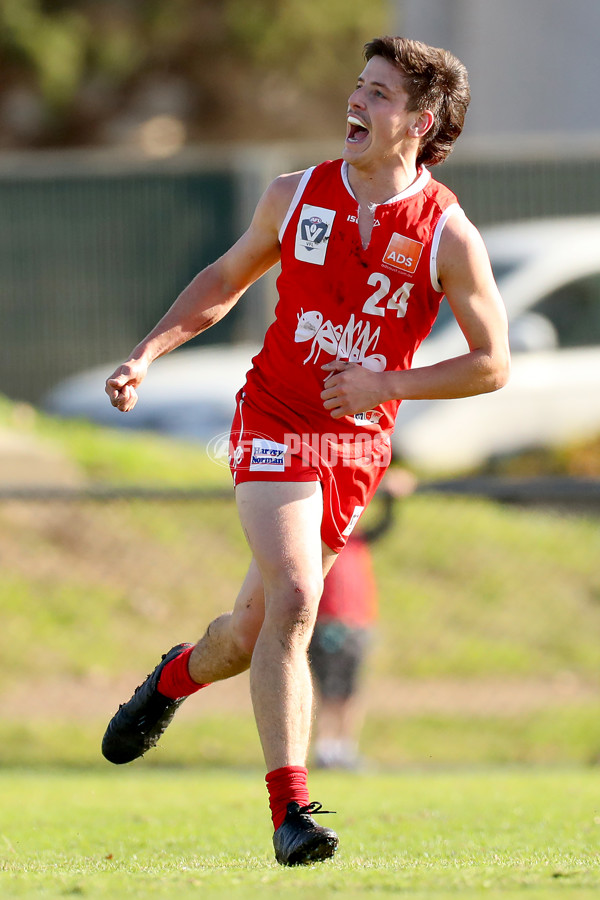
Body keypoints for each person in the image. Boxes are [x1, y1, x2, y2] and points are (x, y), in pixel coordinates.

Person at [101, 36, 510, 866]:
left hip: (353, 445)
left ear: (420, 122)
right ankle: (292, 812)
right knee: (294, 598)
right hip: (273, 417)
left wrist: (388, 383)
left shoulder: (446, 234)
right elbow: (224, 280)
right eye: (357, 87)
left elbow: (493, 362)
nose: (356, 103)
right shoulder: (297, 195)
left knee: (249, 633)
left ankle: (172, 680)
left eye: (380, 94)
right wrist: (145, 354)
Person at [310, 468, 416, 771]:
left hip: (357, 623)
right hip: (326, 624)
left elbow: (383, 526)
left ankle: (345, 748)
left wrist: (393, 499)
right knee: (327, 689)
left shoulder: (356, 541)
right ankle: (325, 748)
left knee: (352, 690)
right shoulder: (315, 540)